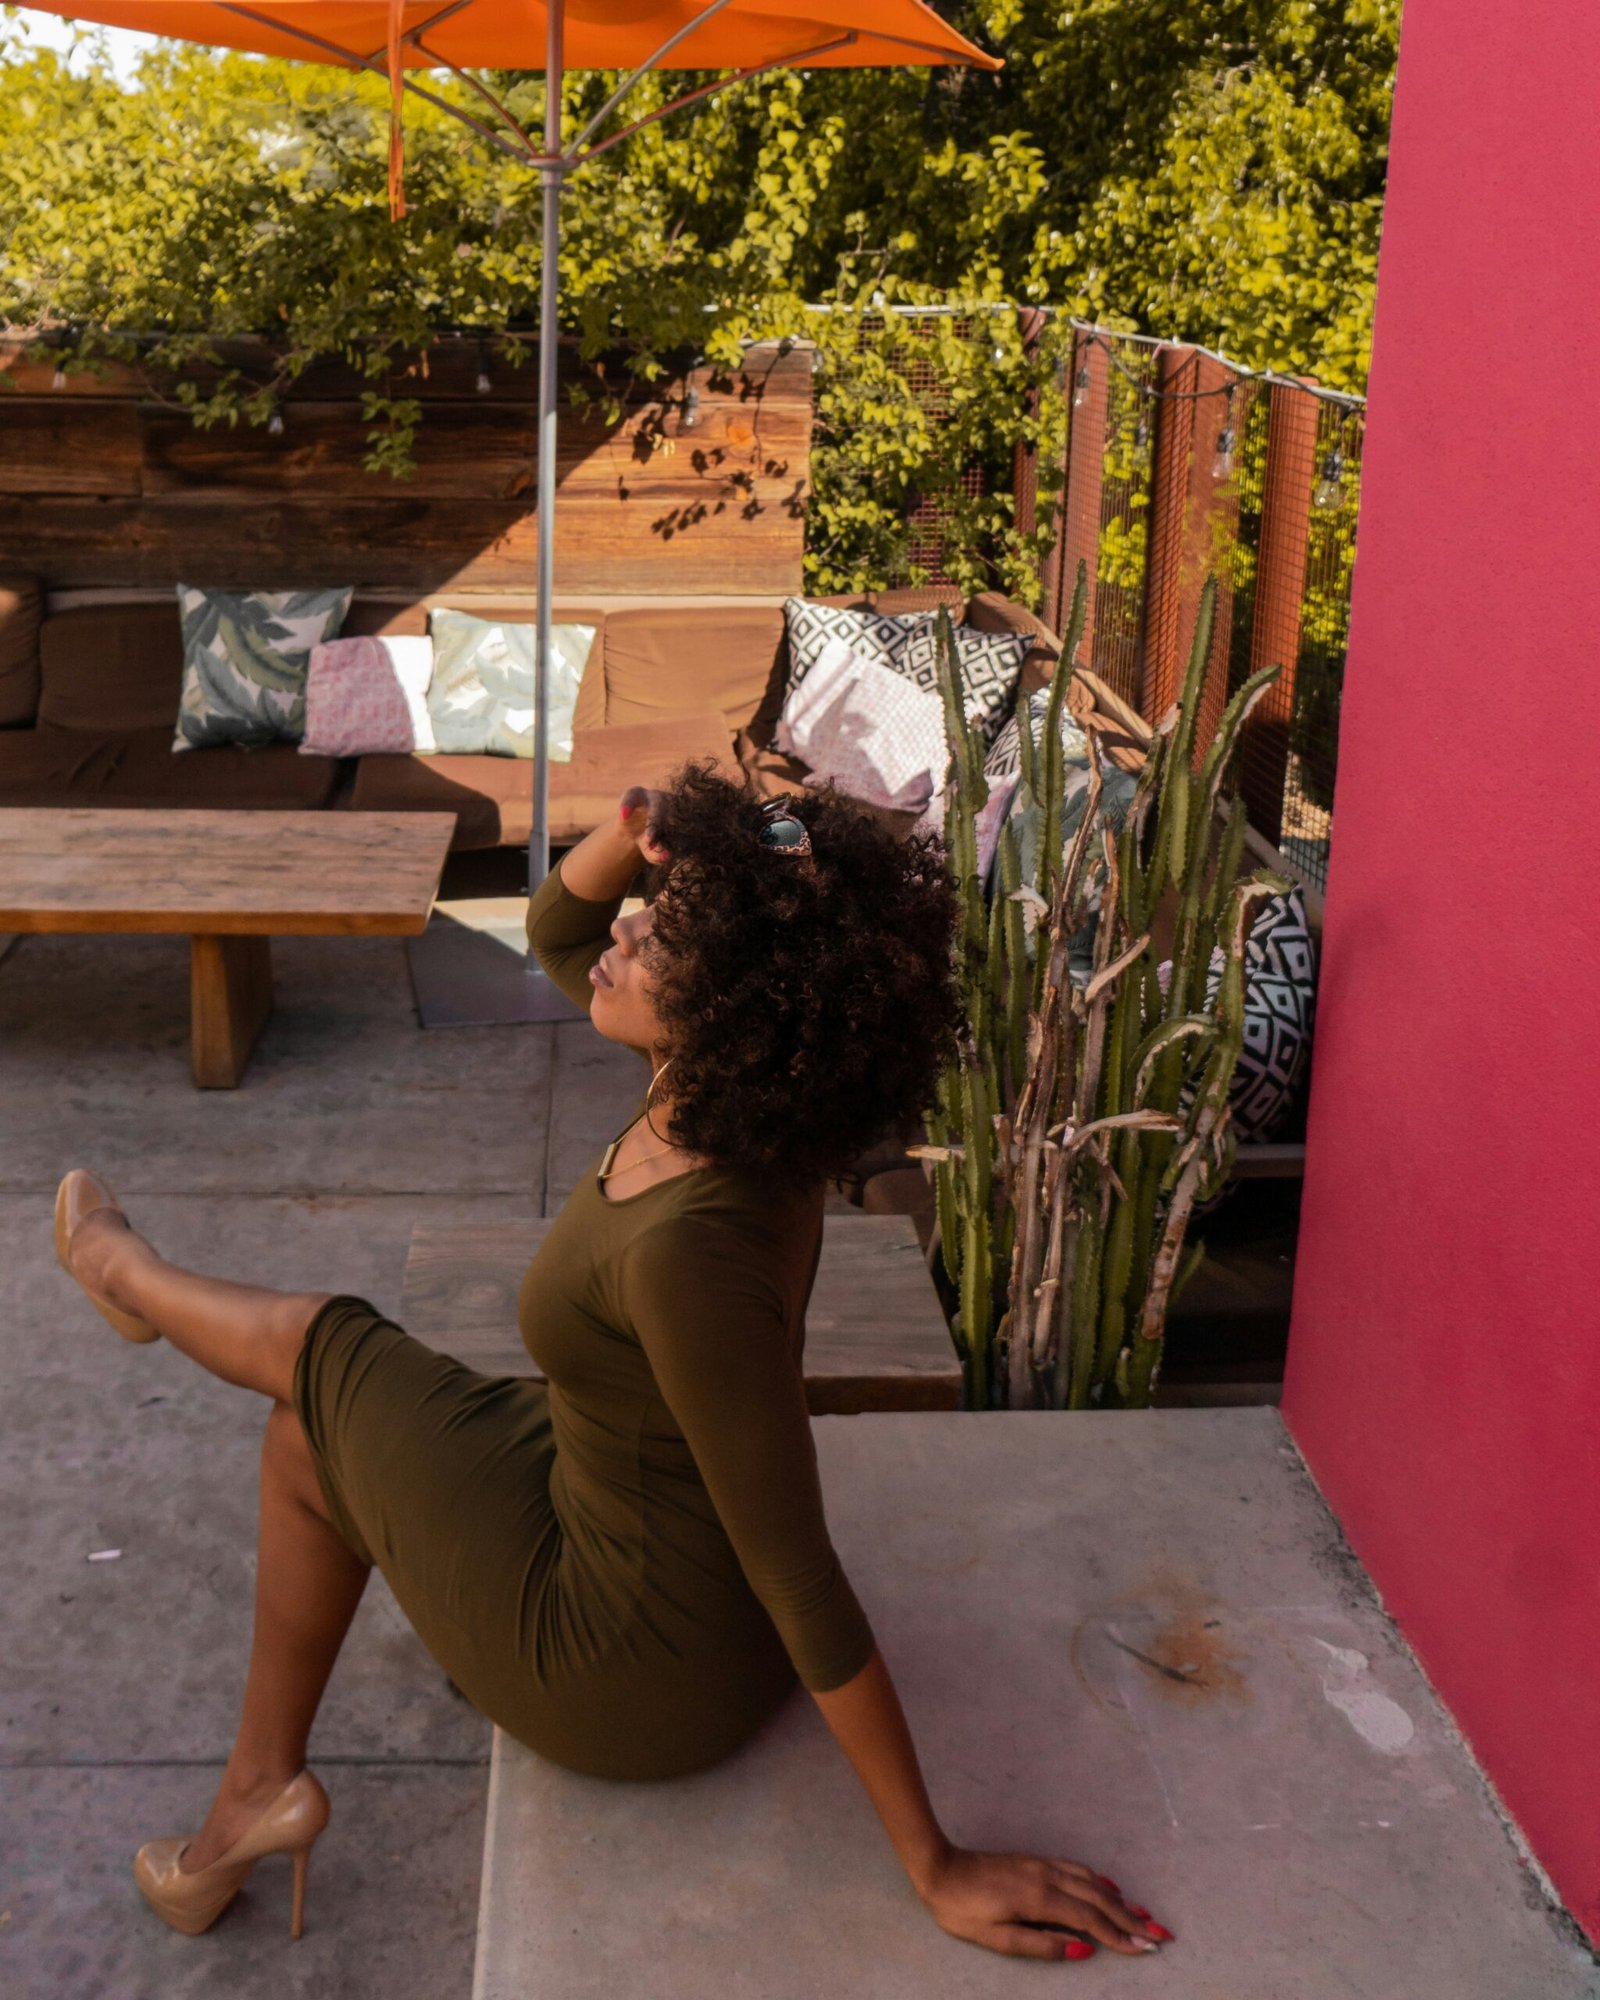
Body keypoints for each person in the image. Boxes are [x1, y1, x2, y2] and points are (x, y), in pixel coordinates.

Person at [53, 763, 1171, 1966]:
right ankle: (257, 1792)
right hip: (611, 1496)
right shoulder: (723, 1102)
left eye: (663, 934)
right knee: (307, 1441)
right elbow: (557, 923)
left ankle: (121, 1273)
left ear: (737, 1007)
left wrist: (934, 1861)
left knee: (327, 1353)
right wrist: (649, 829)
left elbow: (799, 1574)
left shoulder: (693, 1248)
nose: (624, 931)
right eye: (653, 906)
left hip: (633, 1660)